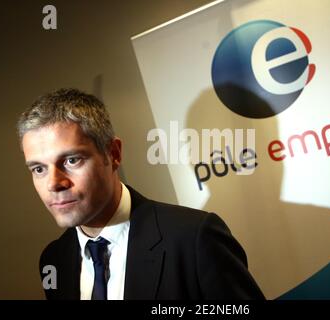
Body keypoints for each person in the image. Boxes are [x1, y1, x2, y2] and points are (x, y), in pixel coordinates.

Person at [17, 88, 265, 300]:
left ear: (113, 154)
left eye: (71, 160)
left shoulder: (194, 238)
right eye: (38, 169)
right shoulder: (54, 260)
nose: (54, 183)